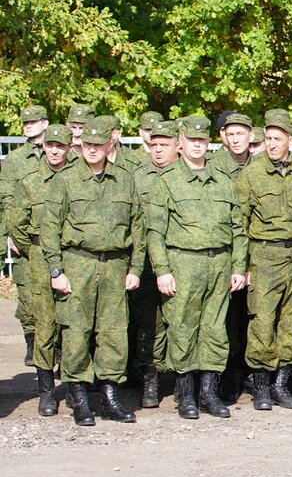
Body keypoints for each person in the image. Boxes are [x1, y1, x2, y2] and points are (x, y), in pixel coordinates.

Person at [42, 119, 146, 426]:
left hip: (115, 265)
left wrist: (136, 267)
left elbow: (138, 227)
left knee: (113, 333)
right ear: (78, 146)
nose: (92, 150)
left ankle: (110, 398)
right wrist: (56, 269)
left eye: (98, 145)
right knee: (76, 332)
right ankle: (80, 399)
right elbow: (50, 227)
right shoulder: (66, 180)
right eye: (87, 145)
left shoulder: (125, 180)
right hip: (78, 263)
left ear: (108, 146)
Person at [146, 116, 248, 419]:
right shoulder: (166, 181)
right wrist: (162, 270)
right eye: (192, 141)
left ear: (209, 143)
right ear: (181, 143)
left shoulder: (222, 180)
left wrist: (238, 267)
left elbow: (238, 228)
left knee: (215, 330)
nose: (197, 146)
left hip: (219, 263)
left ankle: (209, 393)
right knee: (183, 329)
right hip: (183, 263)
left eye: (202, 141)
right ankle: (186, 396)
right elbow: (155, 232)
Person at [237, 109, 292, 410]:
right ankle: (261, 386)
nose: (271, 144)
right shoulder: (251, 174)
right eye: (268, 138)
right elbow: (240, 224)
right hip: (264, 255)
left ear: (290, 139)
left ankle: (280, 384)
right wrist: (243, 265)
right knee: (262, 321)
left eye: (278, 138)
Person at [6, 123, 73, 415]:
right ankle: (46, 390)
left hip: (73, 256)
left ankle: (74, 386)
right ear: (43, 147)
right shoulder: (29, 182)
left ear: (70, 148)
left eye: (60, 146)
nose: (54, 151)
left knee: (74, 324)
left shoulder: (78, 179)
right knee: (45, 323)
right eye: (50, 146)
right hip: (38, 257)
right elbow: (15, 224)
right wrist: (36, 247)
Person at [128, 119, 179, 408]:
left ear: (178, 146)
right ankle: (151, 377)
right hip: (147, 263)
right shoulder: (138, 177)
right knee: (150, 323)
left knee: (180, 321)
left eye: (165, 145)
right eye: (155, 145)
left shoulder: (188, 175)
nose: (158, 150)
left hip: (181, 261)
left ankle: (183, 379)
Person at [1, 104, 50, 366]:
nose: (28, 125)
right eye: (25, 123)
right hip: (25, 235)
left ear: (45, 122)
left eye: (34, 121)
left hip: (51, 235)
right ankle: (31, 343)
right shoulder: (17, 159)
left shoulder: (59, 152)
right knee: (28, 294)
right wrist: (11, 231)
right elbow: (7, 197)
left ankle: (59, 348)